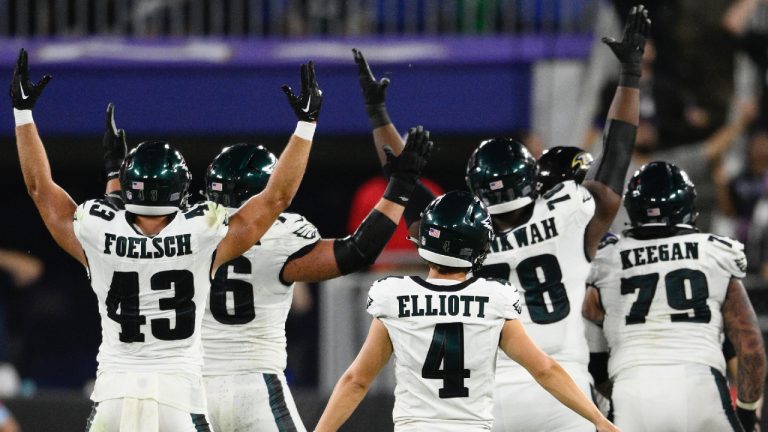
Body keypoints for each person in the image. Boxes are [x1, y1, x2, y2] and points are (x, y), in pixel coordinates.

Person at [12, 47, 321, 431]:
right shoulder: (201, 230)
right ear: (183, 187)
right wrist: (306, 125)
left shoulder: (98, 227)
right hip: (178, 396)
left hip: (114, 392)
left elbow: (40, 189)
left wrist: (23, 115)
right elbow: (277, 197)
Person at [461, 6, 649, 431]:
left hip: (484, 393)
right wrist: (630, 76)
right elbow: (616, 158)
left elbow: (407, 197)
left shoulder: (462, 232)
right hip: (562, 387)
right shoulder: (567, 213)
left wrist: (382, 123)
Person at [314, 191, 620, 432]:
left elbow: (357, 380)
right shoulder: (494, 299)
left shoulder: (395, 296)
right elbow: (544, 369)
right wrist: (598, 419)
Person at [199, 126, 432, 431]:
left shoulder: (185, 230)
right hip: (254, 384)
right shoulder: (281, 233)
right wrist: (401, 187)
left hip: (192, 385)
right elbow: (357, 251)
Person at [583, 161, 766, 432]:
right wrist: (749, 413)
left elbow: (593, 355)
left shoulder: (606, 259)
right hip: (702, 387)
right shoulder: (714, 253)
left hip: (632, 391)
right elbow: (750, 346)